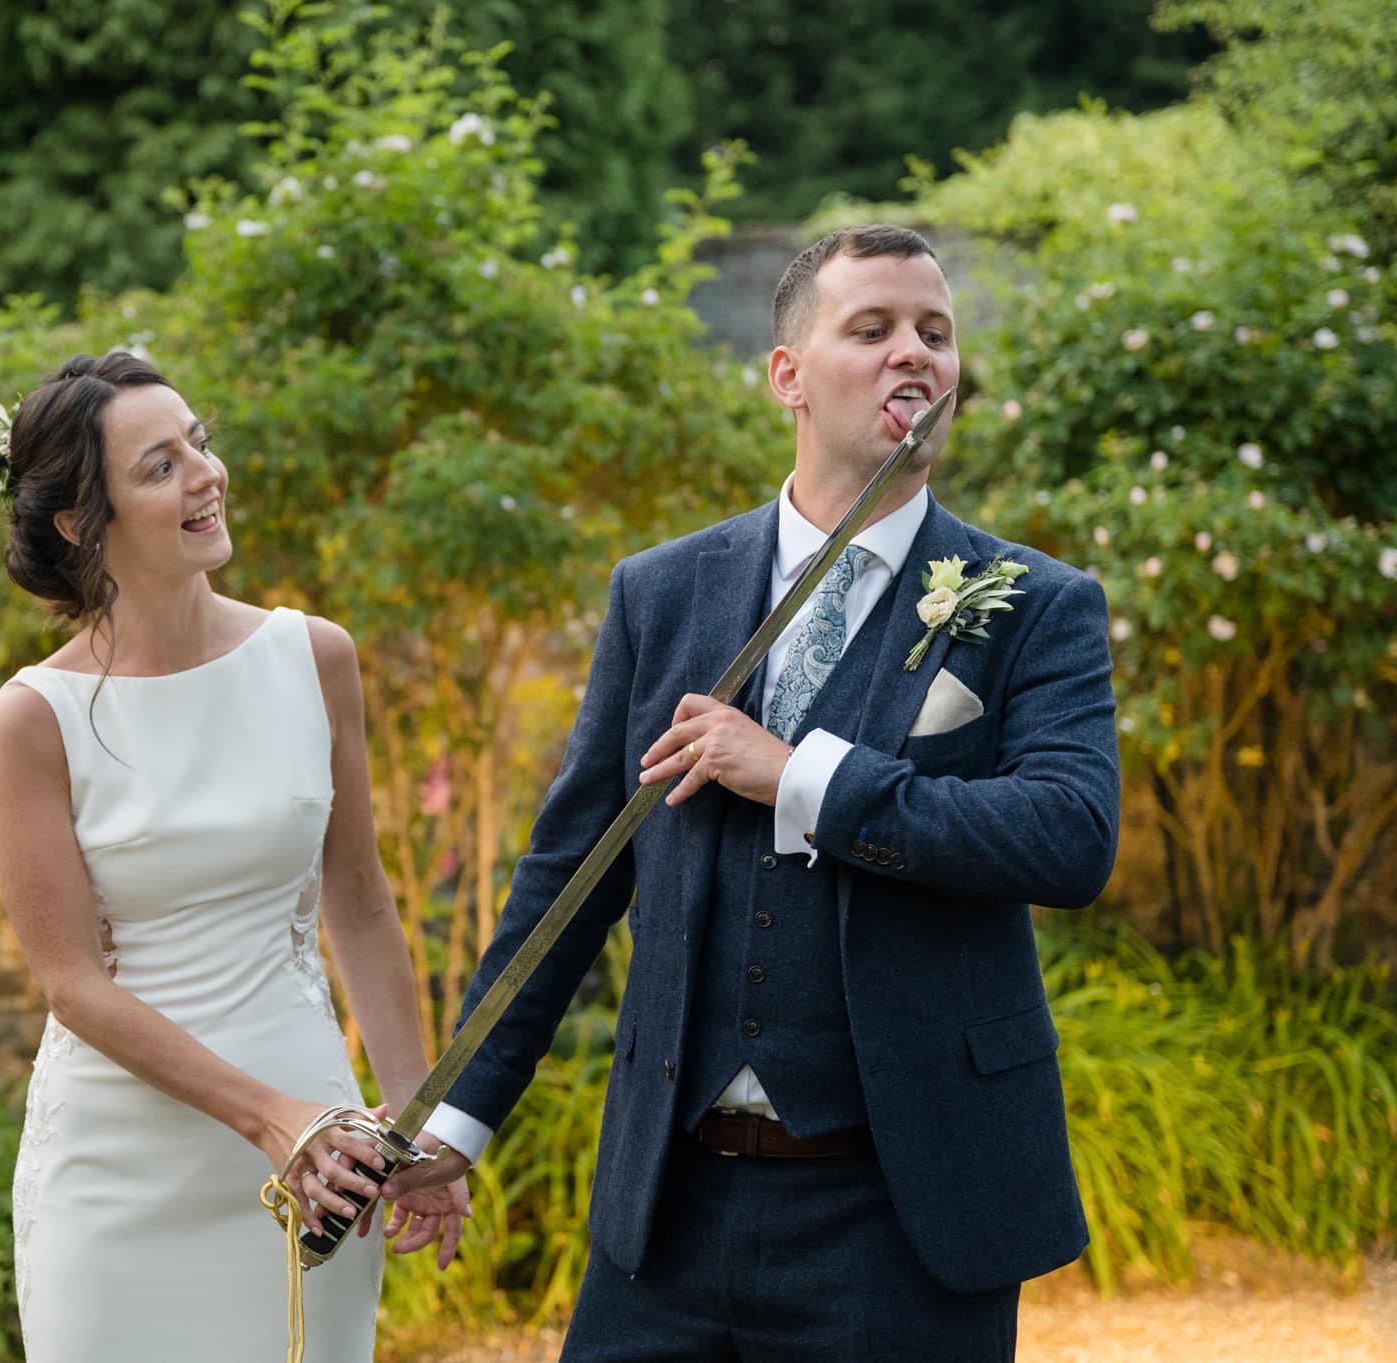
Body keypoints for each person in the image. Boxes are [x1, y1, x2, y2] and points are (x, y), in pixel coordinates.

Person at [389, 226, 1120, 1360]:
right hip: (667, 1216)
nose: (912, 356)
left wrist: (801, 776)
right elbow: (571, 877)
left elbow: (1067, 837)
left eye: (934, 332)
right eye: (869, 330)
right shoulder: (660, 593)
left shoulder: (1035, 602)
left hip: (905, 1217)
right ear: (786, 374)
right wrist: (459, 1119)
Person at [0, 353, 469, 1363]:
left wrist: (418, 1123)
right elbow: (70, 983)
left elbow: (361, 901)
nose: (206, 473)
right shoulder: (32, 718)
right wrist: (272, 1121)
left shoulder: (312, 656)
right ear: (80, 521)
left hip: (321, 1150)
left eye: (197, 441)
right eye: (159, 466)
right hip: (118, 1174)